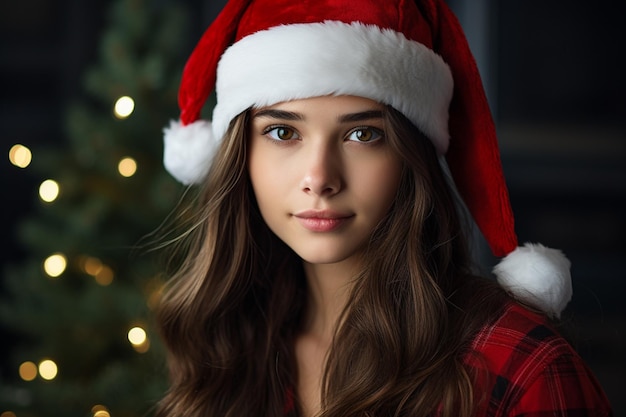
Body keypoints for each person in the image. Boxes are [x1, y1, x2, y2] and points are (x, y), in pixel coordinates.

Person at [156, 0, 612, 416]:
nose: (319, 178)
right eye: (282, 132)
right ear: (242, 153)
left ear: (410, 157)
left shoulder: (520, 368)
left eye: (362, 135)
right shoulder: (227, 347)